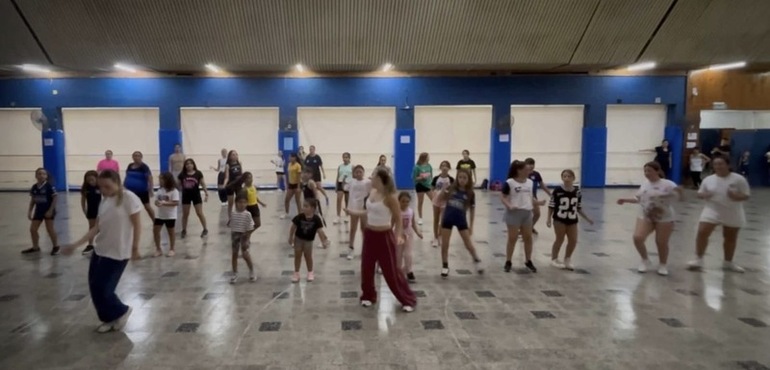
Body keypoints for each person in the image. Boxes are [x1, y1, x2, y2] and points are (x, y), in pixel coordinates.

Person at [61, 170, 141, 333]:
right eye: (101, 187)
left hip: (118, 252)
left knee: (104, 287)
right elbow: (96, 228)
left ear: (117, 182)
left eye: (107, 186)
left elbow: (137, 224)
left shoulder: (128, 198)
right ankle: (108, 318)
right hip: (100, 250)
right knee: (94, 287)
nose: (104, 190)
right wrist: (76, 244)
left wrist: (135, 247)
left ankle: (121, 311)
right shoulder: (104, 202)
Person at [345, 169, 417, 313]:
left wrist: (398, 235)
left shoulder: (390, 197)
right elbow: (368, 212)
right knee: (366, 267)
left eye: (373, 176)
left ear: (380, 179)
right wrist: (352, 212)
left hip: (384, 236)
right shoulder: (372, 192)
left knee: (391, 271)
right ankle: (368, 295)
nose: (371, 178)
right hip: (370, 234)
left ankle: (406, 299)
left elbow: (397, 218)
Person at [616, 161, 683, 276]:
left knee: (661, 242)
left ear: (657, 171)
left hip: (664, 217)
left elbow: (678, 196)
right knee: (638, 237)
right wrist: (625, 200)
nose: (647, 173)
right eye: (645, 171)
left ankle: (663, 264)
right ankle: (645, 260)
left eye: (649, 171)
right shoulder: (645, 184)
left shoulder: (668, 184)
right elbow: (639, 198)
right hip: (646, 215)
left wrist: (671, 194)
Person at [687, 156, 750, 273]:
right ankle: (698, 259)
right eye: (715, 164)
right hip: (712, 209)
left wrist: (735, 197)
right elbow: (700, 193)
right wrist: (705, 195)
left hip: (732, 211)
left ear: (727, 165)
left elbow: (746, 195)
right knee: (702, 232)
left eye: (721, 164)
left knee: (730, 237)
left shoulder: (738, 179)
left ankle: (728, 262)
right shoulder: (708, 179)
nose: (718, 167)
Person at [437, 169, 483, 278]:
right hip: (448, 219)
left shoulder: (470, 193)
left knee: (468, 244)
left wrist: (471, 226)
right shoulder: (451, 188)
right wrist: (443, 191)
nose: (462, 180)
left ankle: (476, 259)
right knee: (445, 244)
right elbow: (439, 200)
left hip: (461, 220)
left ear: (468, 179)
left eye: (465, 178)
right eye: (460, 177)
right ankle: (445, 265)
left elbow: (472, 210)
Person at [546, 169, 594, 271]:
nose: (566, 178)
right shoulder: (557, 190)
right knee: (560, 239)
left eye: (569, 176)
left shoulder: (577, 191)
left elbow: (578, 207)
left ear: (573, 178)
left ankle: (567, 259)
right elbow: (551, 205)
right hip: (559, 218)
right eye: (564, 176)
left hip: (572, 219)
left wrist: (587, 218)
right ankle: (554, 259)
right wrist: (548, 219)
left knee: (573, 240)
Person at [501, 160, 544, 273]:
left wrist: (538, 203)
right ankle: (508, 261)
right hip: (514, 213)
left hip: (527, 212)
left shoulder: (529, 182)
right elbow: (503, 197)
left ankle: (528, 260)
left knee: (528, 238)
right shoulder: (510, 182)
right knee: (512, 238)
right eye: (526, 169)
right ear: (519, 170)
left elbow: (530, 197)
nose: (528, 171)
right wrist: (509, 205)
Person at [289, 200, 331, 283]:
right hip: (298, 239)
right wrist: (290, 237)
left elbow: (320, 231)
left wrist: (323, 241)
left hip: (309, 241)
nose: (303, 208)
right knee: (297, 255)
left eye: (306, 206)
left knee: (308, 256)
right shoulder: (299, 217)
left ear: (312, 208)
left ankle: (310, 272)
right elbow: (293, 227)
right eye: (303, 206)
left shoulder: (316, 219)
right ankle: (296, 273)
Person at [22, 168, 60, 255]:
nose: (41, 175)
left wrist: (50, 210)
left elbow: (55, 198)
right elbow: (33, 200)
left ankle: (56, 246)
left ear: (46, 176)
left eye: (44, 174)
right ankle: (35, 247)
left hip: (48, 211)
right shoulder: (34, 187)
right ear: (36, 176)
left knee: (50, 229)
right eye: (39, 174)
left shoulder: (50, 186)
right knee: (33, 229)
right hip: (38, 211)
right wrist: (29, 211)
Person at [228, 192, 257, 284]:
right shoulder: (233, 213)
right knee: (234, 254)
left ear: (247, 203)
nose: (242, 204)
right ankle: (234, 272)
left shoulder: (247, 214)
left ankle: (251, 270)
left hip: (244, 235)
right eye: (240, 202)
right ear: (236, 203)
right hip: (235, 235)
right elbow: (231, 225)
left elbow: (251, 226)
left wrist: (247, 236)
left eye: (244, 202)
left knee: (245, 254)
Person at [178, 158, 208, 238]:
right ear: (185, 166)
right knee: (185, 214)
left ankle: (205, 229)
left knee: (199, 213)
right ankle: (184, 230)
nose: (189, 165)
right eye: (187, 164)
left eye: (190, 163)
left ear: (193, 165)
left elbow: (203, 183)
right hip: (186, 196)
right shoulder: (182, 174)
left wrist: (206, 192)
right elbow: (177, 185)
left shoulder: (198, 173)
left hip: (196, 195)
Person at [346, 165, 371, 260]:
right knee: (353, 228)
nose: (358, 173)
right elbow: (345, 188)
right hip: (353, 208)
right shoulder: (352, 182)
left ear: (363, 173)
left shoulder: (368, 182)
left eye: (360, 172)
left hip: (363, 208)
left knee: (364, 229)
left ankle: (365, 249)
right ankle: (351, 248)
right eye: (357, 172)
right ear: (354, 173)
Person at [153, 172, 179, 257]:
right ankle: (158, 249)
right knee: (155, 231)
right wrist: (157, 203)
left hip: (170, 215)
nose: (160, 181)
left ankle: (172, 249)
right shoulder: (160, 190)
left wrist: (164, 203)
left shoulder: (174, 191)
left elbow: (175, 203)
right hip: (160, 215)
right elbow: (156, 200)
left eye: (161, 179)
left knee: (171, 232)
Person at [398, 192, 423, 283]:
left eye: (407, 201)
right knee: (398, 255)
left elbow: (413, 224)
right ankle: (398, 272)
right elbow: (392, 223)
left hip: (409, 235)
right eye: (403, 201)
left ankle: (409, 271)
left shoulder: (411, 211)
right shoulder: (396, 212)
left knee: (408, 254)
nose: (405, 203)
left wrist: (418, 232)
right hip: (398, 236)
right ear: (399, 201)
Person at [124, 151, 155, 221]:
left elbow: (150, 178)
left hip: (142, 191)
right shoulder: (130, 166)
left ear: (141, 157)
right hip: (130, 191)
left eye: (138, 156)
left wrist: (151, 189)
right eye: (135, 156)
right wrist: (124, 185)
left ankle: (155, 222)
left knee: (147, 207)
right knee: (129, 207)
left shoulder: (144, 167)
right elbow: (127, 176)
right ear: (132, 157)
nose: (136, 157)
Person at [524, 158, 551, 235]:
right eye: (529, 164)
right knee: (525, 215)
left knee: (537, 214)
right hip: (524, 197)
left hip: (534, 197)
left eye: (532, 164)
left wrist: (550, 194)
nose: (531, 166)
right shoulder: (523, 174)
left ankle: (530, 227)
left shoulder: (536, 174)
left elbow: (542, 185)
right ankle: (523, 230)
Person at [430, 161, 454, 248]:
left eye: (446, 166)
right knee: (436, 219)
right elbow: (432, 188)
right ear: (440, 167)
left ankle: (440, 235)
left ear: (449, 168)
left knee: (443, 220)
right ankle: (435, 237)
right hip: (436, 201)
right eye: (443, 166)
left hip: (445, 201)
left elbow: (453, 190)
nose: (444, 167)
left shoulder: (451, 179)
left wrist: (448, 194)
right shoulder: (436, 178)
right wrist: (434, 195)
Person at [80, 170, 101, 255]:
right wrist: (84, 210)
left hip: (101, 210)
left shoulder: (100, 187)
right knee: (91, 227)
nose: (91, 182)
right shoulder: (86, 188)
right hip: (91, 210)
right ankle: (90, 245)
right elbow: (83, 200)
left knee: (101, 227)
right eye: (89, 180)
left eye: (92, 179)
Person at [241, 172, 267, 237]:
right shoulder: (244, 189)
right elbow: (242, 201)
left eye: (251, 178)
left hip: (255, 206)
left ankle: (247, 234)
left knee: (258, 224)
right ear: (245, 180)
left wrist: (261, 203)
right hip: (248, 207)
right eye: (249, 178)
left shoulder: (253, 187)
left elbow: (255, 196)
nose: (251, 180)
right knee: (249, 225)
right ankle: (246, 236)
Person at [412, 152, 434, 225]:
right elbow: (414, 178)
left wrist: (432, 185)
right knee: (420, 202)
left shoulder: (429, 166)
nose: (429, 158)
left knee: (434, 200)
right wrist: (421, 178)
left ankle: (436, 216)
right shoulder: (417, 167)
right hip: (420, 185)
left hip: (428, 185)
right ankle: (420, 218)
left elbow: (431, 176)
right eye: (428, 156)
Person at [281, 153, 303, 219]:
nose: (289, 158)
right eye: (289, 157)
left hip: (297, 184)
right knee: (287, 199)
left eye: (290, 157)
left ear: (294, 158)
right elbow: (288, 175)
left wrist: (298, 187)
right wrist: (287, 184)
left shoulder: (298, 165)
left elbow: (299, 177)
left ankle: (300, 214)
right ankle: (286, 213)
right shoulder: (289, 164)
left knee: (297, 200)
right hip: (291, 184)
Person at [222, 150, 243, 216]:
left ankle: (239, 216)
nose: (235, 156)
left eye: (236, 154)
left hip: (238, 185)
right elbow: (227, 177)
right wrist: (224, 185)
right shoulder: (228, 166)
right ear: (230, 157)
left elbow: (242, 174)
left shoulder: (239, 163)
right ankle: (230, 218)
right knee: (230, 203)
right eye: (233, 155)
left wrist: (245, 183)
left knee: (239, 202)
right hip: (231, 185)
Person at [334, 152, 353, 224]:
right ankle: (338, 216)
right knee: (339, 199)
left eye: (346, 157)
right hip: (340, 183)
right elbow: (338, 176)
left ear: (349, 158)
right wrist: (336, 185)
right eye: (344, 157)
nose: (345, 159)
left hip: (348, 184)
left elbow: (353, 177)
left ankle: (347, 215)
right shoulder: (340, 166)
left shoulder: (352, 166)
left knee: (347, 200)